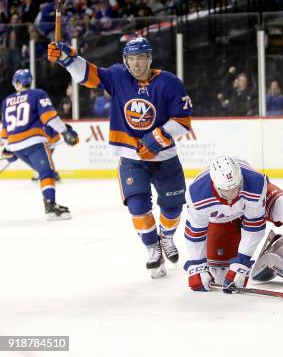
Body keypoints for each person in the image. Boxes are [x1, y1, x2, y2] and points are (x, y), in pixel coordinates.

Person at [47, 37, 193, 279]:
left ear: (149, 58)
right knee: (137, 205)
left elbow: (183, 120)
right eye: (132, 59)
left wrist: (158, 137)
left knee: (172, 206)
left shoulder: (170, 83)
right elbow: (89, 75)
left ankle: (166, 237)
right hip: (131, 157)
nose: (136, 64)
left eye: (141, 58)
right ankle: (152, 248)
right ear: (125, 60)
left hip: (165, 157)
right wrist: (68, 59)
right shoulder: (118, 77)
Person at [183, 156, 283, 293]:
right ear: (215, 185)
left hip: (250, 206)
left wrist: (242, 261)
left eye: (236, 187)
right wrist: (198, 265)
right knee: (220, 277)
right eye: (226, 191)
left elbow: (254, 225)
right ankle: (279, 248)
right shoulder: (197, 194)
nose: (233, 195)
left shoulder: (254, 182)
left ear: (240, 178)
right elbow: (195, 232)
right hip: (221, 220)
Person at [0, 69, 79, 220]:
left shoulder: (6, 101)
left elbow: (4, 131)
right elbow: (49, 117)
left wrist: (8, 149)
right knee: (47, 173)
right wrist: (65, 131)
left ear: (16, 83)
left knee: (43, 172)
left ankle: (50, 204)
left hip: (15, 146)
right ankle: (50, 207)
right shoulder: (37, 94)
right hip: (34, 142)